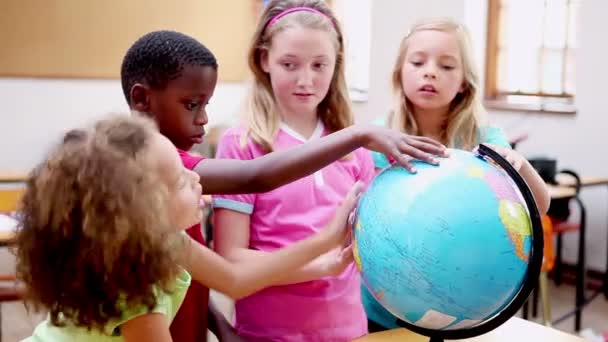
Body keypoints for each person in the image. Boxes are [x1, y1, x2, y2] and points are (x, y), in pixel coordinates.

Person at [120, 29, 447, 341]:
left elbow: (204, 276)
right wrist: (356, 135)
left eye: (206, 104)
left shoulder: (171, 205)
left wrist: (222, 328)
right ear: (141, 98)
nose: (205, 118)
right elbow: (255, 177)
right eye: (193, 105)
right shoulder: (155, 170)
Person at [17, 114, 361, 341]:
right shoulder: (137, 297)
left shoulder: (165, 239)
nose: (196, 178)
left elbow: (235, 281)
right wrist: (325, 239)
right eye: (182, 180)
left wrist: (327, 252)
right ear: (146, 208)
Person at [212, 1, 396, 340]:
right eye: (289, 64)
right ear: (264, 59)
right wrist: (319, 266)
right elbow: (231, 261)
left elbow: (370, 248)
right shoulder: (241, 145)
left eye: (319, 65)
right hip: (268, 334)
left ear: (336, 64)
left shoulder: (353, 148)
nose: (306, 80)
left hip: (349, 333)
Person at [363, 17, 551, 332]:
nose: (431, 71)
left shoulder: (485, 139)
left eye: (447, 66)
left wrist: (520, 164)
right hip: (384, 304)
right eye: (418, 61)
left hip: (462, 305)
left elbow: (539, 207)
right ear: (400, 73)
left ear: (464, 82)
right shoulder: (379, 139)